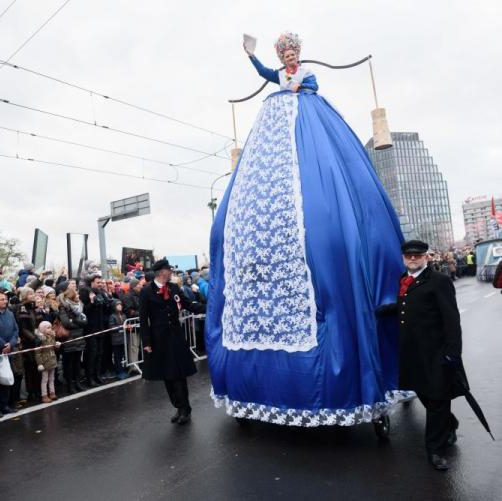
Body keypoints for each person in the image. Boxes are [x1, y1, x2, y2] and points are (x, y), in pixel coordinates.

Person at [205, 32, 405, 427]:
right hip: (276, 127)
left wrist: (296, 86)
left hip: (306, 126)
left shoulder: (307, 79)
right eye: (285, 54)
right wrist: (252, 56)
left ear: (299, 53)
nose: (289, 58)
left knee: (325, 202)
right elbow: (266, 73)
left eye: (292, 52)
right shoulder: (278, 77)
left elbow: (305, 85)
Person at [382, 240, 464, 471]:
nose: (413, 259)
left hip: (437, 353)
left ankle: (436, 450)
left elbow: (451, 319)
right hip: (413, 353)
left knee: (437, 399)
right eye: (409, 256)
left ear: (426, 257)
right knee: (427, 396)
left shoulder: (440, 281)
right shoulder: (403, 279)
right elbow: (406, 305)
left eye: (418, 255)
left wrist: (453, 353)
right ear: (403, 258)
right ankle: (450, 424)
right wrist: (385, 310)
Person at [139, 260, 205, 424]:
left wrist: (209, 307)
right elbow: (143, 319)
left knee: (179, 374)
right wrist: (146, 341)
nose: (171, 272)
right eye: (169, 270)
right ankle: (178, 406)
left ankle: (185, 409)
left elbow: (188, 305)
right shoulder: (147, 292)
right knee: (167, 375)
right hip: (159, 339)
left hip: (175, 338)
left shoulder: (174, 288)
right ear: (162, 272)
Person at [57, 285, 88, 394]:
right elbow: (66, 323)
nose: (78, 295)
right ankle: (70, 385)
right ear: (71, 296)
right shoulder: (63, 307)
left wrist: (75, 322)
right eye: (76, 294)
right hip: (69, 339)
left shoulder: (80, 306)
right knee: (68, 364)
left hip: (79, 337)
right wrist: (78, 323)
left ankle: (77, 383)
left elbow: (84, 322)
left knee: (77, 362)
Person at [14, 287, 43, 403]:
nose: (33, 295)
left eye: (33, 293)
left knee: (38, 367)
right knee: (30, 368)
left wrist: (40, 334)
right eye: (30, 294)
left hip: (38, 339)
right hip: (28, 342)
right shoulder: (22, 308)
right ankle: (31, 392)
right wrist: (34, 338)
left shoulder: (34, 307)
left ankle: (38, 390)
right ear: (25, 295)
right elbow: (23, 328)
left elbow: (40, 322)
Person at [34, 321, 59, 403]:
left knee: (52, 378)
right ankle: (44, 395)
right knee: (45, 380)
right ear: (43, 329)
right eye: (48, 328)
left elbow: (53, 347)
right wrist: (40, 363)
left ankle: (52, 393)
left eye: (50, 327)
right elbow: (38, 353)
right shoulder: (40, 340)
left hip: (52, 360)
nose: (50, 329)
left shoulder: (51, 337)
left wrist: (56, 345)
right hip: (45, 362)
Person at [108, 301, 127, 379]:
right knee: (117, 357)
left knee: (122, 356)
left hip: (123, 339)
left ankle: (122, 370)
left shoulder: (124, 315)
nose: (120, 306)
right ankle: (119, 372)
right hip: (116, 340)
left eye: (120, 305)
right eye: (117, 305)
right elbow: (111, 327)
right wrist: (121, 327)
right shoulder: (112, 316)